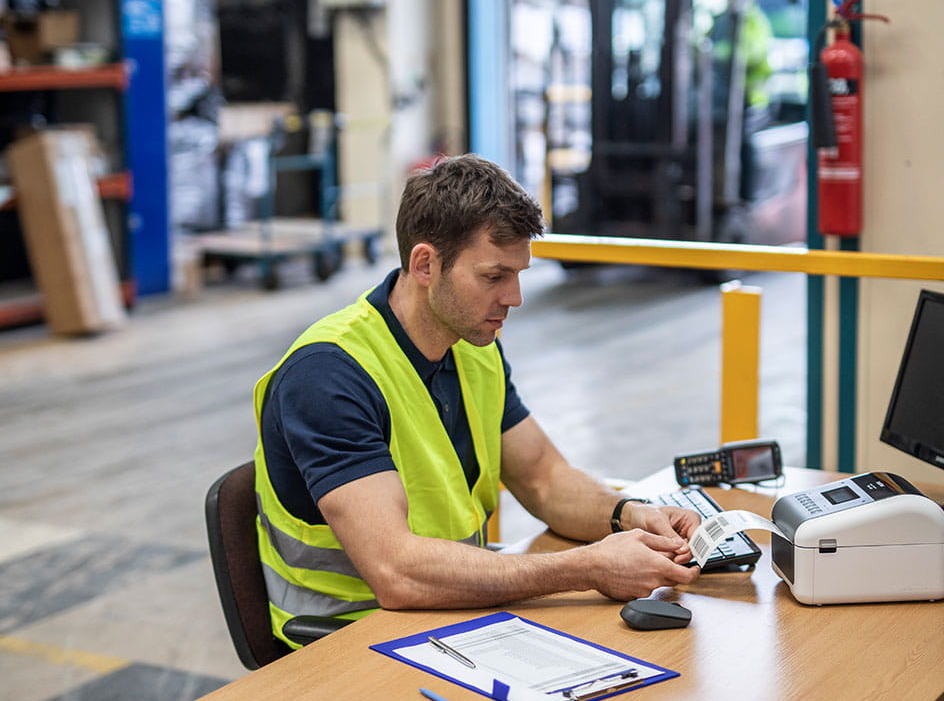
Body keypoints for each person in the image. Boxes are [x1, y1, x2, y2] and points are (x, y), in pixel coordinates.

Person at [253, 154, 702, 647]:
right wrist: (588, 567)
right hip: (346, 642)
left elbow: (544, 478)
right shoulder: (328, 375)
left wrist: (629, 513)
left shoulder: (472, 347)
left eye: (518, 275)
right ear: (425, 264)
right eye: (494, 277)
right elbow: (396, 571)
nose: (514, 297)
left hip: (450, 615)